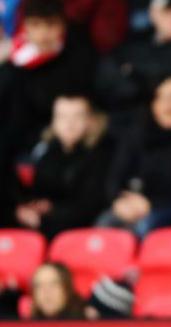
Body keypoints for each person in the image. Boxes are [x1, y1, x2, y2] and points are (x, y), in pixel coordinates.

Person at [0, 0, 96, 165]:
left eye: (50, 24)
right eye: (36, 25)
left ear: (62, 25)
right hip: (18, 146)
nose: (43, 33)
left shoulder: (78, 57)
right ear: (25, 27)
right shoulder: (14, 64)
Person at [100, 75, 171, 236]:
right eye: (160, 98)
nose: (168, 105)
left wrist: (150, 205)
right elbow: (114, 179)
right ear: (152, 104)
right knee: (105, 224)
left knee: (143, 227)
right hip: (135, 205)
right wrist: (119, 201)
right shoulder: (137, 135)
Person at [16, 92, 112, 239]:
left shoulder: (103, 153)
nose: (69, 124)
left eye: (77, 117)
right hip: (45, 223)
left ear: (91, 120)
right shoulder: (48, 152)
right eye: (62, 117)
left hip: (79, 228)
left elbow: (91, 206)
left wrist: (51, 212)